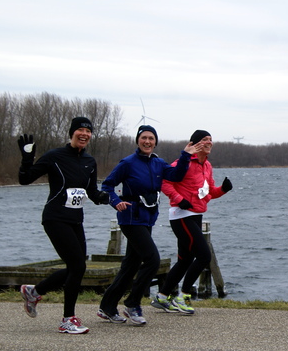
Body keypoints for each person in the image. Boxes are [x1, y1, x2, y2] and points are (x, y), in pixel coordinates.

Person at [97, 125, 201, 325]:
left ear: (155, 142)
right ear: (138, 140)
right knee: (152, 260)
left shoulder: (158, 163)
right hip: (130, 218)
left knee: (131, 265)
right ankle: (132, 304)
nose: (147, 141)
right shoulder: (127, 163)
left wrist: (186, 155)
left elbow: (177, 176)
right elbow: (107, 185)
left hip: (147, 218)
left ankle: (106, 307)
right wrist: (114, 201)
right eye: (144, 138)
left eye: (151, 138)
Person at [18, 117, 110, 334]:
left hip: (76, 220)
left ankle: (34, 291)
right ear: (72, 133)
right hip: (55, 217)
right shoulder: (54, 156)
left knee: (76, 267)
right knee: (77, 266)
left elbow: (90, 191)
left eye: (88, 131)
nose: (84, 134)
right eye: (80, 130)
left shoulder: (89, 161)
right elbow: (25, 179)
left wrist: (105, 197)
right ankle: (67, 319)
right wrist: (27, 159)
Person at [151, 130, 232, 314]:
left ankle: (162, 297)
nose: (209, 143)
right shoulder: (183, 162)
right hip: (181, 214)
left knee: (185, 259)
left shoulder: (207, 166)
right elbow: (165, 181)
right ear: (194, 144)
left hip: (196, 214)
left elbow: (209, 191)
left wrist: (223, 189)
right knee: (204, 255)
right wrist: (179, 199)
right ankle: (183, 296)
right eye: (205, 140)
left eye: (211, 140)